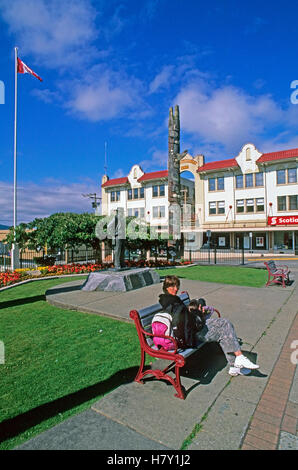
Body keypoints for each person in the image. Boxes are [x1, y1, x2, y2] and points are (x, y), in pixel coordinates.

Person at [159, 275, 259, 377]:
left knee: (224, 324)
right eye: (173, 286)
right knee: (224, 327)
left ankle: (236, 362)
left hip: (194, 328)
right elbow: (184, 323)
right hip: (193, 335)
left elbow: (187, 318)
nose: (176, 289)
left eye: (177, 286)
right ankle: (237, 362)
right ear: (166, 287)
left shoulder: (173, 299)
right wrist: (198, 314)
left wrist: (198, 312)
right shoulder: (171, 303)